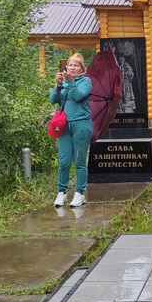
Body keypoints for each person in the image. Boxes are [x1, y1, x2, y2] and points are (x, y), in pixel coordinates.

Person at [50, 53, 92, 208]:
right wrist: (59, 84)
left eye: (76, 65)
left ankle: (80, 192)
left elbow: (79, 96)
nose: (72, 67)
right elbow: (53, 99)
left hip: (81, 125)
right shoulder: (64, 82)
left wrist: (70, 82)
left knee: (80, 161)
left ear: (83, 69)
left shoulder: (86, 81)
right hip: (64, 126)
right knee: (64, 160)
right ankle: (61, 191)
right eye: (70, 65)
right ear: (65, 67)